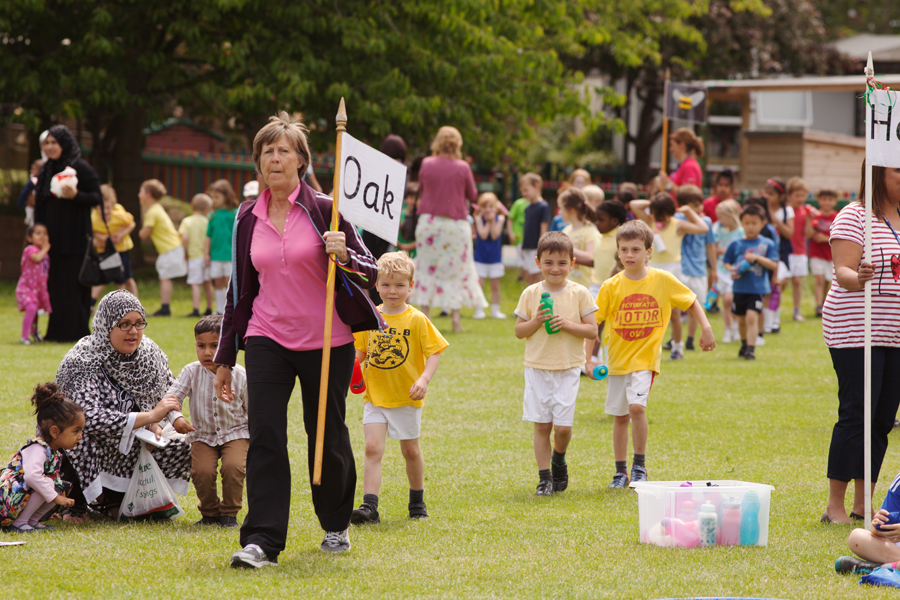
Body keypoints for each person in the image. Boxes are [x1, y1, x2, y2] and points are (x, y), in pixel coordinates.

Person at [213, 112, 382, 568]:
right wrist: (225, 355)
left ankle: (335, 523)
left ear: (301, 161)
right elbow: (238, 290)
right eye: (266, 150)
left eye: (283, 149)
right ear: (257, 162)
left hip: (328, 340)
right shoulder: (246, 216)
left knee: (325, 435)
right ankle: (262, 539)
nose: (274, 157)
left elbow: (373, 273)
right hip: (266, 336)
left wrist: (344, 252)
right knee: (265, 433)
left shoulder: (328, 209)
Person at [588, 220, 715, 488]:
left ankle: (640, 467)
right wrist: (588, 359)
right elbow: (593, 324)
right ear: (618, 252)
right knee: (620, 416)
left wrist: (706, 328)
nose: (629, 255)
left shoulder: (662, 280)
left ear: (649, 252)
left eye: (636, 249)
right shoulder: (610, 286)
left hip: (645, 360)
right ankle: (620, 471)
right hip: (616, 361)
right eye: (624, 250)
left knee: (636, 408)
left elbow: (691, 300)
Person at [55, 290, 191, 522]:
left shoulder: (149, 353)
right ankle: (74, 504)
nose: (134, 331)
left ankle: (126, 501)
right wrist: (148, 417)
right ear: (106, 325)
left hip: (138, 435)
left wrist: (158, 422)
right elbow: (85, 416)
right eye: (124, 324)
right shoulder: (83, 359)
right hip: (94, 434)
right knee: (79, 435)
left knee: (184, 443)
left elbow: (169, 393)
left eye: (139, 323)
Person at [821, 162, 900, 524]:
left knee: (882, 418)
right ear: (878, 173)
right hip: (856, 330)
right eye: (898, 170)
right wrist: (860, 277)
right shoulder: (854, 215)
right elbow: (843, 271)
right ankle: (834, 506)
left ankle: (861, 503)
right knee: (857, 413)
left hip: (894, 333)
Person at [351, 252, 449, 524]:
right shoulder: (369, 316)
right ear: (376, 285)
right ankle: (369, 507)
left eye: (399, 285)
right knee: (372, 448)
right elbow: (360, 350)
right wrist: (351, 366)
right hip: (375, 397)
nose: (392, 291)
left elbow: (434, 352)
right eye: (385, 285)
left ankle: (417, 502)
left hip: (406, 396)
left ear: (411, 286)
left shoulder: (416, 319)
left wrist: (424, 379)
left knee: (411, 451)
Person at [514, 232, 599, 496]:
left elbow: (592, 331)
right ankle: (544, 478)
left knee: (562, 428)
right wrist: (537, 321)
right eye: (549, 262)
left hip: (568, 367)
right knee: (542, 425)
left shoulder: (579, 293)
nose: (555, 268)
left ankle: (558, 458)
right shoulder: (531, 293)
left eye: (562, 263)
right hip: (538, 366)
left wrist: (569, 324)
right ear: (538, 262)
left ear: (572, 264)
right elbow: (519, 331)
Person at [162, 315, 248, 528]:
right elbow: (171, 399)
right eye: (201, 346)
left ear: (228, 346)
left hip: (235, 433)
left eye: (215, 345)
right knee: (201, 472)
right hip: (202, 434)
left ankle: (229, 514)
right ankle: (209, 514)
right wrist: (177, 418)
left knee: (234, 467)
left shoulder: (240, 374)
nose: (207, 352)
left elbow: (253, 408)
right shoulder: (191, 372)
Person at [409, 126, 487, 332]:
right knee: (457, 270)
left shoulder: (426, 163)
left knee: (426, 267)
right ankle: (455, 318)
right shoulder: (463, 167)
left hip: (430, 223)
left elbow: (424, 189)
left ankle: (425, 315)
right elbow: (472, 194)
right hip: (455, 224)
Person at [33, 124, 102, 342]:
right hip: (51, 241)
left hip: (75, 241)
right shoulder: (45, 170)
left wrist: (75, 195)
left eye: (55, 142)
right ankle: (56, 333)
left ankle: (77, 333)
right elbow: (40, 205)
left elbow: (96, 197)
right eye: (48, 143)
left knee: (73, 287)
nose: (50, 147)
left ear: (65, 144)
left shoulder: (80, 168)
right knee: (55, 286)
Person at [630, 193, 709, 360]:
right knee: (646, 310)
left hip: (672, 270)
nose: (660, 219)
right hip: (651, 268)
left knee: (674, 313)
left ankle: (677, 347)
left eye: (663, 215)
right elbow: (634, 205)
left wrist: (688, 212)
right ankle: (644, 347)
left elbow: (704, 228)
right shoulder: (651, 220)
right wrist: (654, 202)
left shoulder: (677, 224)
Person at [0, 382, 83, 532]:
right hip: (6, 499)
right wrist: (55, 497)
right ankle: (19, 522)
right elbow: (32, 477)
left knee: (57, 486)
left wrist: (55, 494)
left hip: (17, 498)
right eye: (76, 431)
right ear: (55, 431)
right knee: (48, 484)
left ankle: (31, 521)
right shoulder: (38, 448)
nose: (80, 436)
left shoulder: (53, 451)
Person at [573, 199, 628, 366]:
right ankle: (590, 359)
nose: (597, 223)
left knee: (608, 325)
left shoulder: (623, 237)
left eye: (601, 220)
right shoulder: (598, 236)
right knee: (593, 322)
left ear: (614, 221)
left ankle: (601, 359)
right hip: (597, 286)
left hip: (619, 288)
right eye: (596, 219)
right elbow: (594, 262)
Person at [723, 204, 780, 361]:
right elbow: (726, 262)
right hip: (739, 288)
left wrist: (757, 258)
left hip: (757, 289)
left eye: (754, 223)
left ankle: (751, 349)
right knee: (741, 319)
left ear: (762, 224)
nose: (750, 226)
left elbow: (774, 264)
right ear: (742, 223)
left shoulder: (767, 243)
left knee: (751, 317)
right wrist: (733, 270)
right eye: (747, 223)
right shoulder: (736, 243)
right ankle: (743, 343)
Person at [363, 134, 408, 304]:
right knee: (383, 264)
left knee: (373, 263)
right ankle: (380, 302)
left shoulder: (379, 168)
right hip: (388, 224)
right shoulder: (402, 170)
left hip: (373, 223)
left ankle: (376, 301)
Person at [675, 185, 717, 352]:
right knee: (675, 309)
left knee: (696, 306)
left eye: (699, 204)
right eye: (693, 205)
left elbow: (710, 246)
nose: (698, 209)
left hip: (699, 269)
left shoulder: (706, 221)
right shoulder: (677, 220)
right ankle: (675, 338)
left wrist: (713, 269)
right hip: (681, 269)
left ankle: (690, 339)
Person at [138, 179, 187, 316]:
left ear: (148, 194)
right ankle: (165, 307)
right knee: (165, 276)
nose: (138, 195)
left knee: (165, 277)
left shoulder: (152, 212)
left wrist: (138, 231)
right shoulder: (157, 209)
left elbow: (145, 233)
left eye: (140, 192)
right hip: (172, 248)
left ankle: (165, 308)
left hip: (169, 249)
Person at [837, 471, 900, 573]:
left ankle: (878, 568)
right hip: (895, 550)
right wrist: (877, 525)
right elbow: (883, 525)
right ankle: (893, 567)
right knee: (856, 537)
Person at [90, 184, 138, 302]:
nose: (105, 211)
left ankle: (132, 304)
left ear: (113, 205)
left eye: (108, 208)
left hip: (121, 250)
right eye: (102, 208)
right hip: (105, 252)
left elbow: (131, 223)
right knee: (102, 277)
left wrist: (122, 234)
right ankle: (91, 302)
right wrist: (102, 239)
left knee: (124, 278)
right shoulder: (93, 219)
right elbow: (91, 232)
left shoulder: (119, 214)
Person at [205, 179, 239, 315]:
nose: (214, 200)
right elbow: (208, 236)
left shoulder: (234, 213)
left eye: (217, 197)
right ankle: (219, 310)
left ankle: (228, 310)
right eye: (213, 197)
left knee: (228, 282)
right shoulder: (212, 215)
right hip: (216, 255)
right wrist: (206, 254)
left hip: (230, 255)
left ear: (226, 196)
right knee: (218, 282)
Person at [763, 177, 792, 334]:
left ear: (781, 196)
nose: (768, 197)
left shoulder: (787, 211)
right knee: (767, 289)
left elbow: (789, 233)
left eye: (772, 194)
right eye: (766, 193)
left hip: (781, 254)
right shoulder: (761, 211)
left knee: (777, 287)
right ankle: (767, 323)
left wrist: (776, 221)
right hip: (765, 254)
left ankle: (775, 321)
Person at [713, 200, 744, 343]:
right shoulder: (719, 231)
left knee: (731, 299)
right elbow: (713, 247)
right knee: (725, 302)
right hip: (721, 270)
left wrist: (721, 251)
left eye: (721, 217)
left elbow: (737, 250)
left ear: (731, 216)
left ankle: (736, 327)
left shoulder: (740, 232)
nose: (719, 220)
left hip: (733, 271)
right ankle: (728, 330)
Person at [472, 192, 507, 319]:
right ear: (480, 208)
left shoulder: (501, 219)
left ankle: (495, 310)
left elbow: (494, 235)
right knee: (479, 284)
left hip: (495, 259)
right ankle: (478, 310)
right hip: (480, 258)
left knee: (495, 286)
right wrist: (488, 221)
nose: (488, 209)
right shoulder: (478, 219)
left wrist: (492, 221)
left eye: (491, 206)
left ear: (496, 208)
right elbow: (483, 234)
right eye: (485, 206)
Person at [15, 223, 51, 345]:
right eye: (38, 233)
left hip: (37, 289)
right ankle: (24, 336)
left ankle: (34, 332)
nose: (42, 235)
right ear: (30, 238)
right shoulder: (30, 249)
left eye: (45, 233)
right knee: (31, 308)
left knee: (35, 311)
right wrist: (46, 248)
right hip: (26, 288)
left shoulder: (44, 254)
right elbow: (36, 258)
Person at [180, 193, 215, 317]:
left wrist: (185, 253)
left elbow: (184, 238)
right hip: (207, 257)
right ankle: (209, 308)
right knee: (208, 282)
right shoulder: (208, 221)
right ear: (207, 209)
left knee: (195, 283)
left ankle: (195, 309)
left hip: (194, 256)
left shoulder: (187, 221)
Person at [806, 188, 839, 317]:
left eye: (830, 199)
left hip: (830, 253)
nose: (826, 202)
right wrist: (808, 220)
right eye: (824, 199)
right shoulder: (815, 216)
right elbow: (808, 234)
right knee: (819, 279)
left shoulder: (836, 217)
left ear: (835, 201)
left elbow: (838, 235)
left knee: (827, 280)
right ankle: (819, 305)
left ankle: (825, 303)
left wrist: (825, 239)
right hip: (816, 252)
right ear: (819, 200)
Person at [560, 187, 600, 291]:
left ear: (571, 210)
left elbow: (590, 256)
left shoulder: (590, 231)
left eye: (561, 208)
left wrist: (565, 250)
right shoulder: (566, 230)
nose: (559, 212)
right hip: (566, 285)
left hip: (584, 287)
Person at [786, 177, 811, 322]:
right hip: (787, 252)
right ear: (789, 196)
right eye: (797, 195)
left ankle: (796, 311)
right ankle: (773, 308)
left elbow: (808, 234)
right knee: (782, 282)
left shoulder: (805, 211)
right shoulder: (786, 211)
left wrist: (808, 218)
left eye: (802, 195)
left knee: (797, 281)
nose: (800, 198)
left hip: (800, 252)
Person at [520, 173, 551, 285]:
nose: (523, 194)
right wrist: (523, 247)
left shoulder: (543, 206)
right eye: (522, 191)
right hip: (528, 246)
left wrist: (540, 247)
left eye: (526, 190)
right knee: (529, 274)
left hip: (536, 247)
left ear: (536, 187)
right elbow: (526, 229)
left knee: (538, 275)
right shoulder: (527, 208)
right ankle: (531, 299)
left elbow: (544, 227)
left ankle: (545, 298)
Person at [16, 159, 43, 226]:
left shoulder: (34, 180)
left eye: (33, 169)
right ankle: (28, 217)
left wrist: (20, 203)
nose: (31, 171)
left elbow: (24, 192)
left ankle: (28, 217)